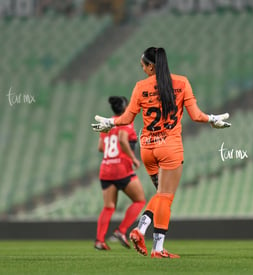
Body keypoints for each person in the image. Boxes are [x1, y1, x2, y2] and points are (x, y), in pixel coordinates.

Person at [92, 47, 230, 258]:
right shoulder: (182, 83)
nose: (142, 70)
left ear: (151, 66)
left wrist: (110, 122)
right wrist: (213, 120)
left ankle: (151, 240)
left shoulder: (141, 87)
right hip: (170, 147)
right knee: (166, 196)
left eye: (143, 66)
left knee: (161, 195)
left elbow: (127, 118)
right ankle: (146, 236)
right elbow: (196, 115)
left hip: (147, 147)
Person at [94, 96, 146, 251]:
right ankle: (121, 231)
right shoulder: (125, 122)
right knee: (140, 200)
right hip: (121, 168)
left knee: (109, 207)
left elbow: (101, 148)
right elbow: (123, 140)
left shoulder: (106, 123)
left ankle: (99, 240)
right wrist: (134, 159)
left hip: (106, 168)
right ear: (125, 108)